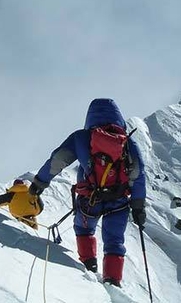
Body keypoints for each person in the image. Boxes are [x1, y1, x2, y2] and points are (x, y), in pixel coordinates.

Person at [28, 98, 147, 287]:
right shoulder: (127, 141)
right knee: (115, 240)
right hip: (119, 200)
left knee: (84, 229)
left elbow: (58, 160)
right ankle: (112, 281)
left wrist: (39, 183)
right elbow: (138, 174)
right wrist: (139, 206)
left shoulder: (81, 137)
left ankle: (88, 266)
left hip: (90, 199)